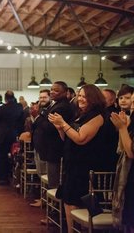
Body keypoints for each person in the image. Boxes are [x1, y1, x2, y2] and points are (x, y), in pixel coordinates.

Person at [48, 84, 107, 233]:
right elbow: (67, 138)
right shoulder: (79, 114)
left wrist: (63, 124)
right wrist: (60, 128)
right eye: (79, 95)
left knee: (75, 201)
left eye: (84, 96)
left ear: (93, 98)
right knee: (68, 201)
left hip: (84, 166)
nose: (80, 98)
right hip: (72, 164)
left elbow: (81, 139)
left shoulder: (97, 116)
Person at [110, 108, 134, 232]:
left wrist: (123, 128)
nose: (132, 106)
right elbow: (122, 147)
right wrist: (123, 127)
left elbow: (131, 152)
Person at [0, 90, 23, 185]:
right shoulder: (19, 107)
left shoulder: (1, 108)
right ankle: (11, 175)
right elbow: (21, 120)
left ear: (5, 98)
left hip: (2, 136)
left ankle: (3, 178)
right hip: (14, 135)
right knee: (13, 156)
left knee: (1, 157)